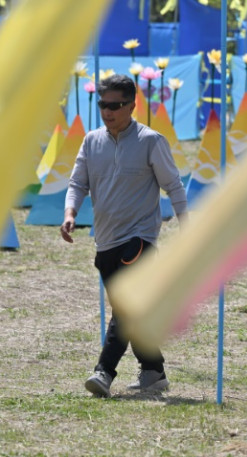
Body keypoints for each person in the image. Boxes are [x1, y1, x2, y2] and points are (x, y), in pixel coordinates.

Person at [61, 74, 188, 398]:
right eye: (103, 104)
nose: (108, 111)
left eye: (116, 105)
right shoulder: (91, 141)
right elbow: (78, 183)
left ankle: (104, 371)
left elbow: (172, 185)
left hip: (140, 238)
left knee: (126, 306)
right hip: (105, 240)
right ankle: (153, 371)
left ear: (133, 105)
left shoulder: (151, 141)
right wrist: (70, 213)